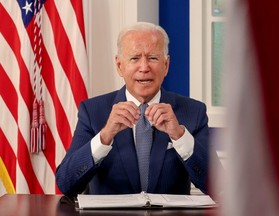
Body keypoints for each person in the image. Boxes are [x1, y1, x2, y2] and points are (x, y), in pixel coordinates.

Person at [56, 22, 222, 197]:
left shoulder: (193, 112)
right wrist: (105, 136)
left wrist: (180, 136)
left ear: (166, 65)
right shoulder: (92, 111)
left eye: (153, 58)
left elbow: (216, 186)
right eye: (135, 58)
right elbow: (66, 184)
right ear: (120, 66)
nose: (144, 68)